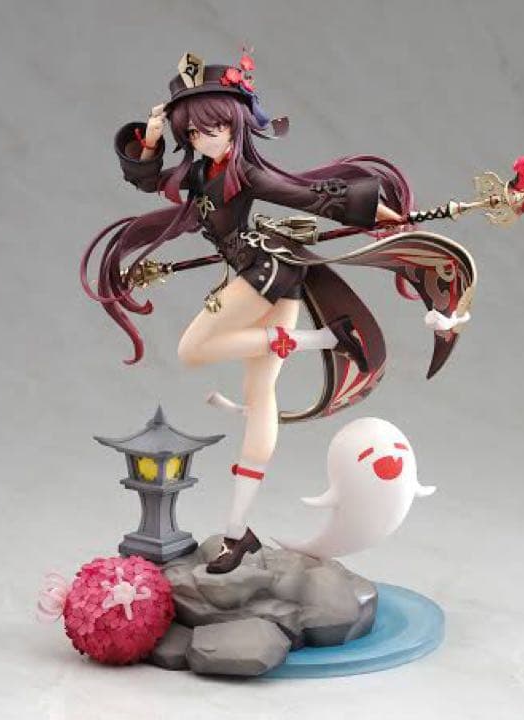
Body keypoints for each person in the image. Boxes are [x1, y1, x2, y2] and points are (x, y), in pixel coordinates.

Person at [82, 50, 473, 573]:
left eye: (215, 127)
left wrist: (388, 219)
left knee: (192, 350)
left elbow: (314, 198)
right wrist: (150, 138)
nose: (204, 138)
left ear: (237, 125)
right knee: (260, 398)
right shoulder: (198, 171)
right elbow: (148, 180)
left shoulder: (245, 172)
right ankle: (238, 532)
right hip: (266, 278)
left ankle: (322, 340)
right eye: (193, 132)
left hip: (262, 273)